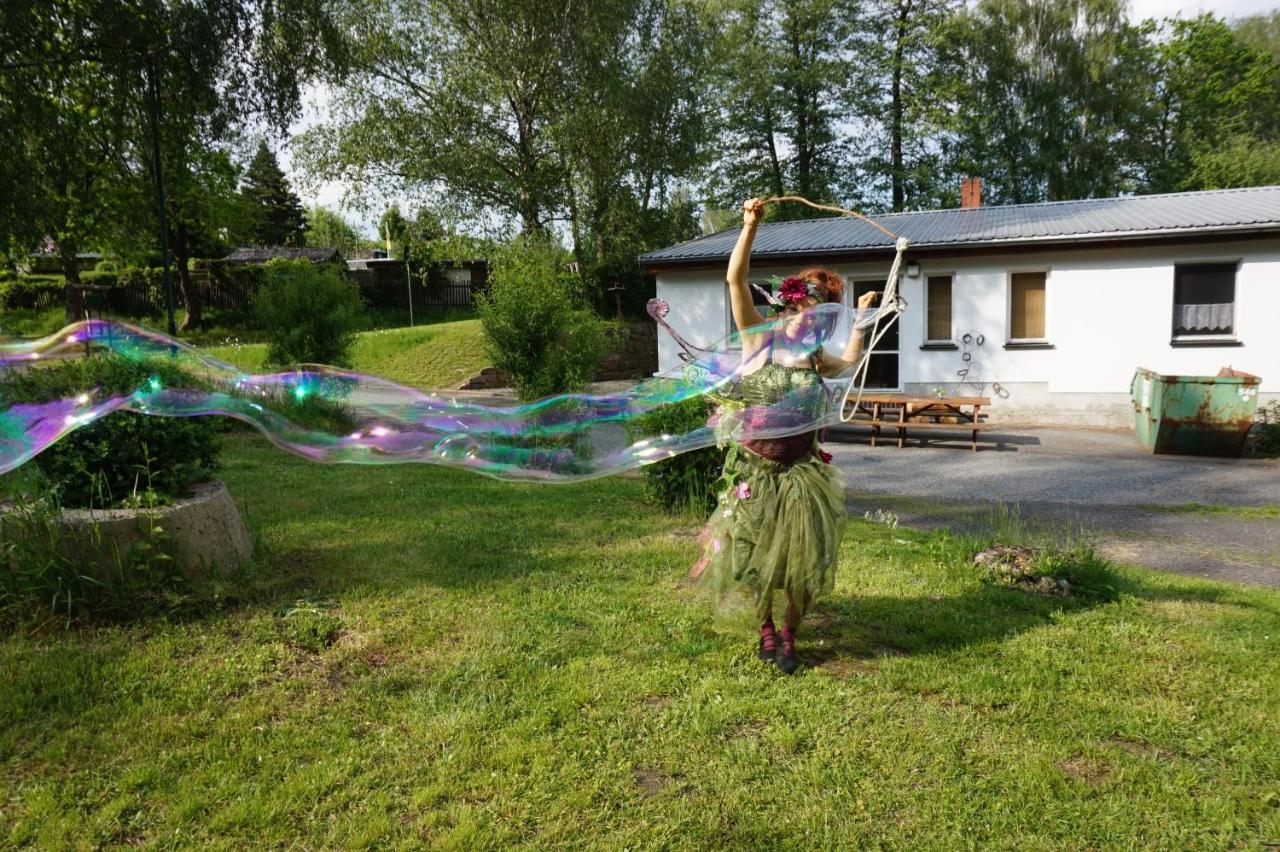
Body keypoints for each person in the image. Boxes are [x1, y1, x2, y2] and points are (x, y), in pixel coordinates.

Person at [692, 197, 876, 674]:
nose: (801, 318)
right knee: (755, 560)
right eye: (795, 308)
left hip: (801, 474)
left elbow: (851, 359)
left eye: (811, 312)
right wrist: (749, 226)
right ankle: (765, 629)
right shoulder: (759, 341)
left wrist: (860, 317)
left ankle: (790, 633)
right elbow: (735, 280)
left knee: (802, 564)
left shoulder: (817, 360)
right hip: (757, 471)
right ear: (784, 307)